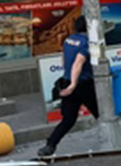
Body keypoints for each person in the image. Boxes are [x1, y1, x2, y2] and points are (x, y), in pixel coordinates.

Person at [37, 17, 97, 157]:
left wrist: (68, 77)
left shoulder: (69, 40)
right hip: (83, 84)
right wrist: (73, 84)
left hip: (67, 80)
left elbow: (65, 60)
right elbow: (78, 63)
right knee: (101, 113)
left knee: (68, 119)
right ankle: (110, 138)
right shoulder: (86, 43)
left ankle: (50, 145)